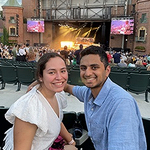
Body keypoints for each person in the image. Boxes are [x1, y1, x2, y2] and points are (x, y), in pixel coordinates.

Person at [27, 46, 147, 150]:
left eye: (94, 67)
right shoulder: (89, 92)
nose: (88, 73)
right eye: (83, 68)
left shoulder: (121, 104)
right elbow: (68, 87)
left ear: (107, 70)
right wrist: (41, 82)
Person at [2, 53, 77, 150]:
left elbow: (55, 120)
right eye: (52, 72)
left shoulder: (56, 94)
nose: (59, 77)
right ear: (40, 76)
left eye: (63, 71)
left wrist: (70, 140)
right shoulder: (30, 108)